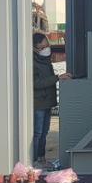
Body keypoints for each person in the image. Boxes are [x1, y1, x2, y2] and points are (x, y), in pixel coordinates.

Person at [33, 32, 71, 168]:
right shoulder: (32, 63)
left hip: (47, 102)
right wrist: (57, 78)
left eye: (47, 45)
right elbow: (36, 83)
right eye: (42, 47)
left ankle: (41, 158)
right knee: (37, 133)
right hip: (38, 103)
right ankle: (34, 160)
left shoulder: (45, 60)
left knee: (44, 132)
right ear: (35, 48)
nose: (46, 49)